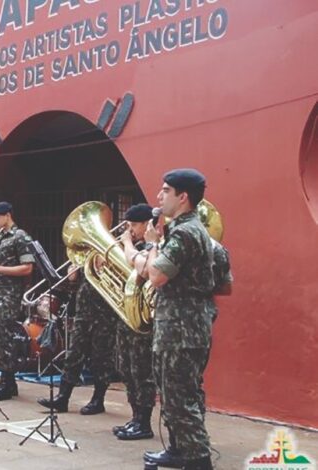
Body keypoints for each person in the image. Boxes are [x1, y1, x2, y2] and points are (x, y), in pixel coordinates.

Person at [135, 169, 216, 470]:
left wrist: (153, 242)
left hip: (181, 330)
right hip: (183, 326)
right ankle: (180, 451)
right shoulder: (187, 229)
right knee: (176, 394)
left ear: (182, 197)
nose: (159, 196)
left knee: (180, 399)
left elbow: (156, 276)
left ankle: (198, 460)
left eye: (165, 191)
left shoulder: (184, 232)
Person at [36, 259, 118, 413]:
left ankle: (98, 400)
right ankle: (63, 397)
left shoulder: (116, 251)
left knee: (101, 359)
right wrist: (72, 278)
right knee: (73, 355)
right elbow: (72, 288)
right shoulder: (88, 255)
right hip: (83, 312)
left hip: (106, 314)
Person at [116, 203, 159, 440]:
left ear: (147, 224)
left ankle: (144, 422)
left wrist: (127, 244)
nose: (130, 230)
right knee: (126, 368)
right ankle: (135, 418)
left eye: (133, 225)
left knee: (142, 371)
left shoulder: (153, 246)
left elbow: (139, 266)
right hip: (127, 316)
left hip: (144, 320)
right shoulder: (138, 244)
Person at [0, 201, 34, 401]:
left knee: (6, 336)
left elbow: (28, 267)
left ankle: (6, 382)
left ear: (7, 215)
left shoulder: (19, 236)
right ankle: (9, 382)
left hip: (10, 294)